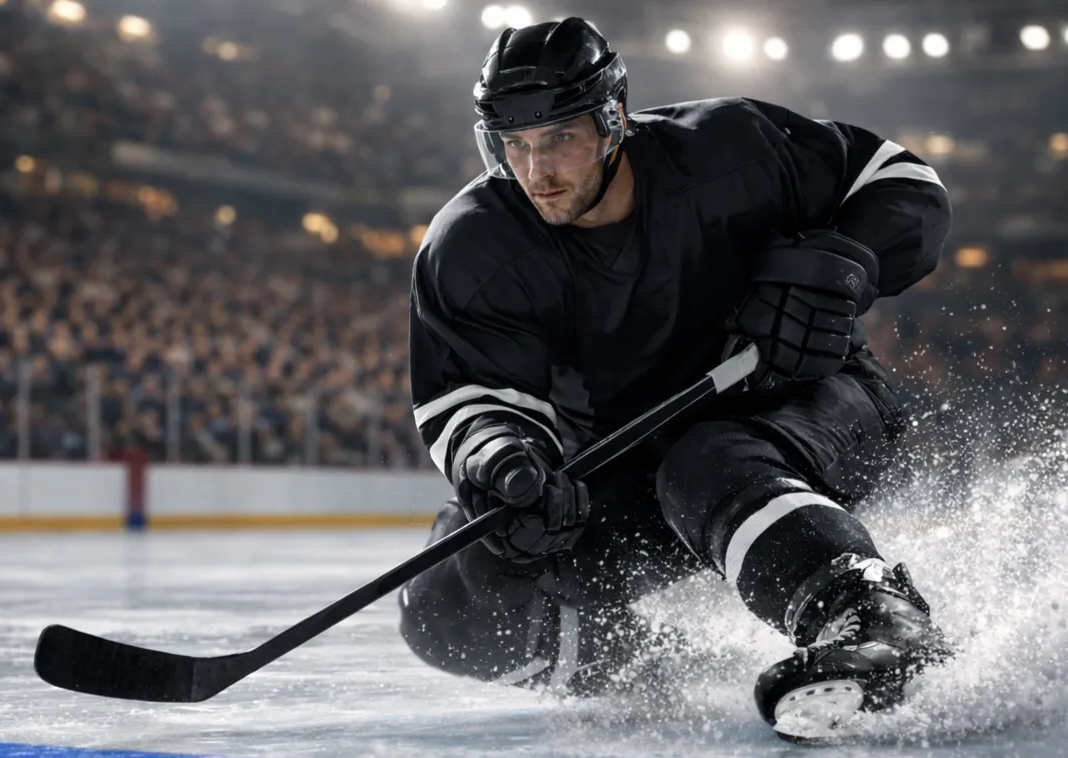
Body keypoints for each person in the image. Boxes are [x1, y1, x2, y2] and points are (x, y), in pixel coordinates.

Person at [397, 17, 954, 741]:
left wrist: (846, 260)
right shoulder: (474, 243)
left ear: (613, 121)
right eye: (516, 144)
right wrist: (507, 463)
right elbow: (473, 397)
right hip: (633, 461)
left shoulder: (730, 147)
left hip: (814, 408)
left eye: (559, 138)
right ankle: (665, 672)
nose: (537, 172)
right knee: (448, 599)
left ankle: (876, 616)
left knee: (705, 459)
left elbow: (902, 182)